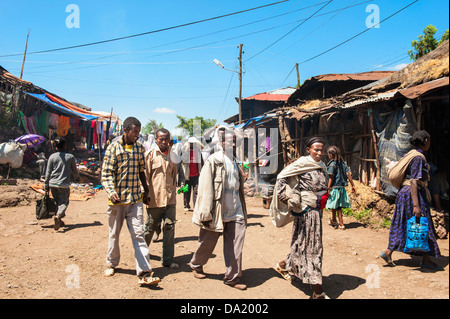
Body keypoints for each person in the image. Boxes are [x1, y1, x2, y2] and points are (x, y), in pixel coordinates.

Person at [101, 116, 161, 286]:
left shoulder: (139, 148)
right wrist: (112, 192)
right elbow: (106, 174)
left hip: (135, 199)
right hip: (117, 201)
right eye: (135, 132)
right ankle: (112, 263)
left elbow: (141, 170)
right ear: (126, 130)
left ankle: (144, 272)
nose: (137, 135)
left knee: (139, 235)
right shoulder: (113, 148)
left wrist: (146, 189)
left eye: (138, 132)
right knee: (114, 234)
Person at [189, 128, 248, 290]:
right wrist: (205, 212)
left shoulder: (235, 161)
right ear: (222, 142)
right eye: (230, 140)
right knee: (207, 242)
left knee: (236, 244)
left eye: (236, 141)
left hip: (235, 210)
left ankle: (232, 277)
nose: (233, 143)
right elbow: (205, 187)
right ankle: (196, 264)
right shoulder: (214, 160)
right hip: (217, 210)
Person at [272, 137, 330, 299]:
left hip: (317, 210)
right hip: (305, 211)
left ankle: (283, 265)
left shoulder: (320, 165)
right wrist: (287, 198)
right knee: (313, 246)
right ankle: (317, 289)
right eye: (316, 149)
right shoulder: (302, 164)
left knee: (301, 242)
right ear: (308, 149)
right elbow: (281, 178)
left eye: (321, 150)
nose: (319, 153)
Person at [380, 130, 443, 270]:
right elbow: (414, 181)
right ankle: (426, 260)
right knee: (423, 223)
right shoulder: (418, 158)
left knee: (402, 223)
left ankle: (388, 252)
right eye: (429, 140)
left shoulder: (409, 155)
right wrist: (416, 205)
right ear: (425, 140)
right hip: (413, 195)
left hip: (405, 194)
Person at [144, 128, 179, 269]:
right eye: (161, 139)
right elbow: (145, 177)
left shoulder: (173, 155)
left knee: (169, 228)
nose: (164, 141)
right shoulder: (149, 155)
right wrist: (145, 194)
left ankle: (168, 260)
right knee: (149, 228)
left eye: (166, 139)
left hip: (170, 199)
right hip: (154, 198)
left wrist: (174, 192)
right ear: (156, 139)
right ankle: (141, 254)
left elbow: (174, 176)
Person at [44, 136, 81, 231]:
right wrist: (77, 178)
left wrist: (46, 184)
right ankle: (58, 216)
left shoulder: (52, 157)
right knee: (64, 202)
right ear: (65, 145)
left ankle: (59, 220)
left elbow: (48, 172)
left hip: (53, 184)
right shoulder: (70, 157)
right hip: (64, 184)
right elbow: (75, 171)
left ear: (55, 147)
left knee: (57, 202)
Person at [325, 146, 356, 230]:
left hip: (335, 188)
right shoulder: (342, 163)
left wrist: (328, 188)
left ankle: (341, 223)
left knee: (338, 206)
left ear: (331, 155)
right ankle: (334, 220)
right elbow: (348, 174)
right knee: (334, 204)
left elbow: (331, 177)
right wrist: (353, 185)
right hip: (341, 188)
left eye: (328, 154)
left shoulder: (332, 164)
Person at [181, 137, 203, 211]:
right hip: (187, 174)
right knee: (186, 190)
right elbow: (182, 160)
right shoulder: (184, 151)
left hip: (196, 174)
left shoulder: (198, 151)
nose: (192, 145)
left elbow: (201, 162)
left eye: (193, 143)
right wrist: (186, 150)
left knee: (196, 191)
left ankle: (196, 206)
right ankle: (186, 205)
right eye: (191, 143)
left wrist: (201, 171)